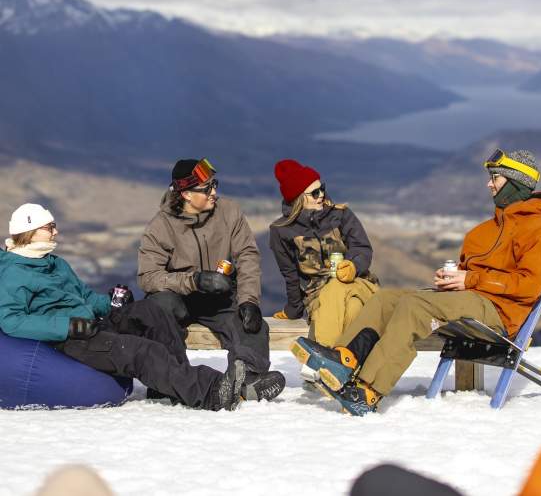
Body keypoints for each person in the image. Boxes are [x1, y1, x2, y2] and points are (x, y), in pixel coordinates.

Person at [291, 148, 541, 415]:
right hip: (470, 301)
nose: (489, 183)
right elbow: (468, 275)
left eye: (496, 178)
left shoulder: (537, 227)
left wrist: (470, 279)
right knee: (386, 299)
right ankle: (344, 359)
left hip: (500, 313)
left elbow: (529, 286)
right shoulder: (483, 231)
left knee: (416, 306)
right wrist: (451, 279)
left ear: (515, 182)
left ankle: (367, 390)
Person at [0, 202, 281, 411]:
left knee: (151, 312)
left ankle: (172, 387)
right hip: (68, 339)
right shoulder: (16, 273)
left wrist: (109, 302)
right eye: (49, 228)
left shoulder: (54, 263)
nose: (55, 231)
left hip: (90, 323)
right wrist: (67, 326)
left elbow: (83, 295)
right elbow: (11, 320)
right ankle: (213, 391)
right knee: (141, 351)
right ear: (30, 232)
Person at [138, 157, 283, 402]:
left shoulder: (229, 212)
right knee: (159, 307)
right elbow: (148, 277)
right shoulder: (161, 226)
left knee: (251, 323)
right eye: (206, 189)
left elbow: (247, 255)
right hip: (180, 298)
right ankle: (170, 380)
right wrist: (193, 281)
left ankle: (248, 378)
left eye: (214, 184)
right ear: (185, 194)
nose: (214, 192)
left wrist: (249, 301)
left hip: (221, 295)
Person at [269, 159, 378, 349]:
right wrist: (294, 309)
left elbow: (362, 248)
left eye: (322, 189)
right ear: (298, 198)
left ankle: (322, 359)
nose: (321, 196)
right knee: (353, 310)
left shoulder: (341, 215)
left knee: (337, 295)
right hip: (317, 295)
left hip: (355, 282)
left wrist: (353, 266)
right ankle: (349, 370)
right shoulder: (281, 231)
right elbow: (290, 274)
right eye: (314, 193)